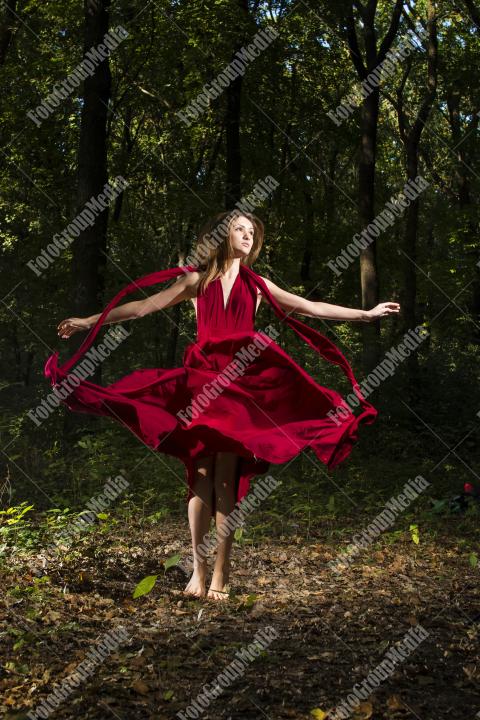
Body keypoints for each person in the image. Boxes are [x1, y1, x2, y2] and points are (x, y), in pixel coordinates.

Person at [48, 210, 400, 601]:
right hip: (202, 383)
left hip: (240, 388)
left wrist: (365, 314)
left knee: (226, 478)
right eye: (240, 229)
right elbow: (142, 307)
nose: (248, 236)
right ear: (222, 235)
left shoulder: (259, 284)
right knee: (199, 473)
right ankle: (198, 573)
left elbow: (309, 306)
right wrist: (88, 321)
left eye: (252, 232)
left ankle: (221, 573)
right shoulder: (196, 281)